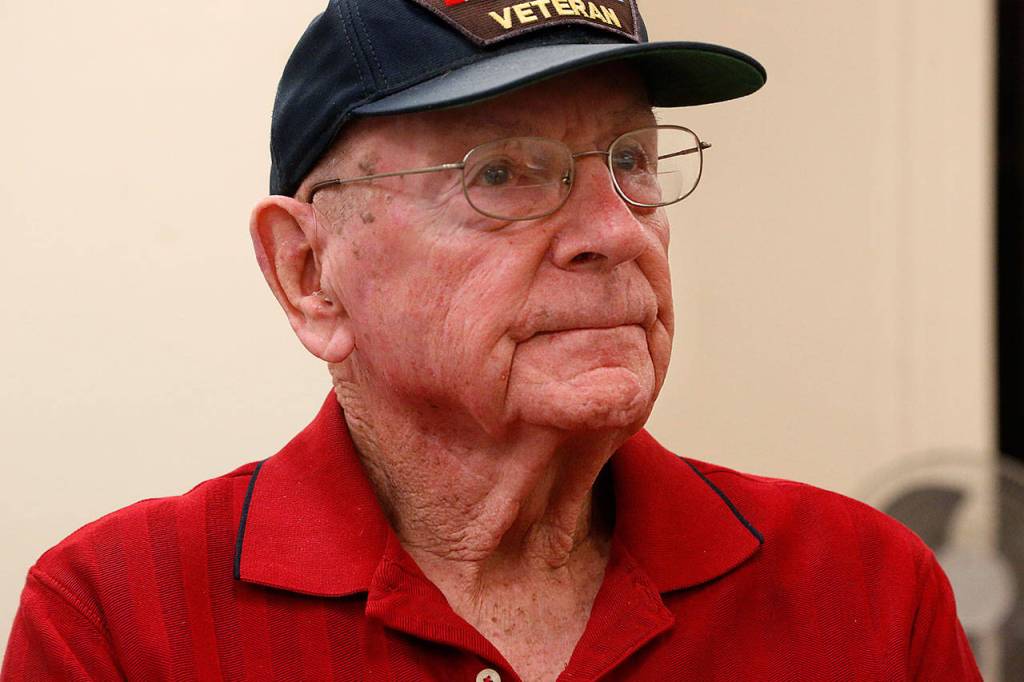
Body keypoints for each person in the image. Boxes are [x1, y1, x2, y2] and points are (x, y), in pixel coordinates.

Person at [2, 1, 982, 680]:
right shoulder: (123, 617)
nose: (617, 231)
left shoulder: (864, 588)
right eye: (504, 173)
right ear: (307, 272)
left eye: (632, 160)